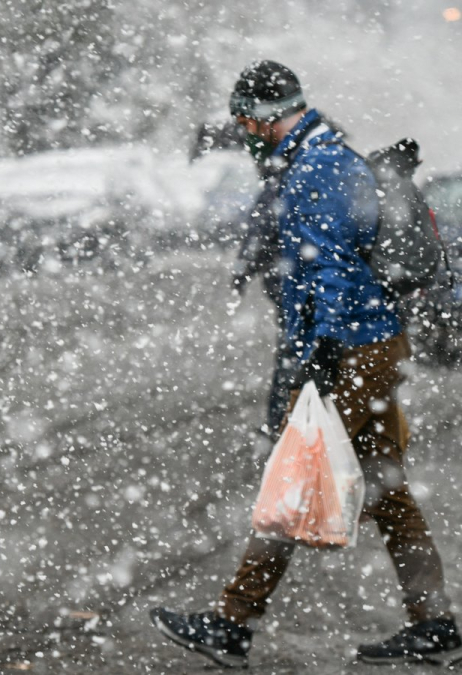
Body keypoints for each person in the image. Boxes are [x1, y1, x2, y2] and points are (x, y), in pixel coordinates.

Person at [149, 60, 461, 668]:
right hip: (372, 345)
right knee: (387, 489)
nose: (244, 133)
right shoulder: (325, 159)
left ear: (269, 117)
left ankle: (231, 624)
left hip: (353, 349)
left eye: (247, 121)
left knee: (296, 474)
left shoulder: (316, 169)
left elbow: (332, 269)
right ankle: (435, 626)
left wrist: (319, 352)